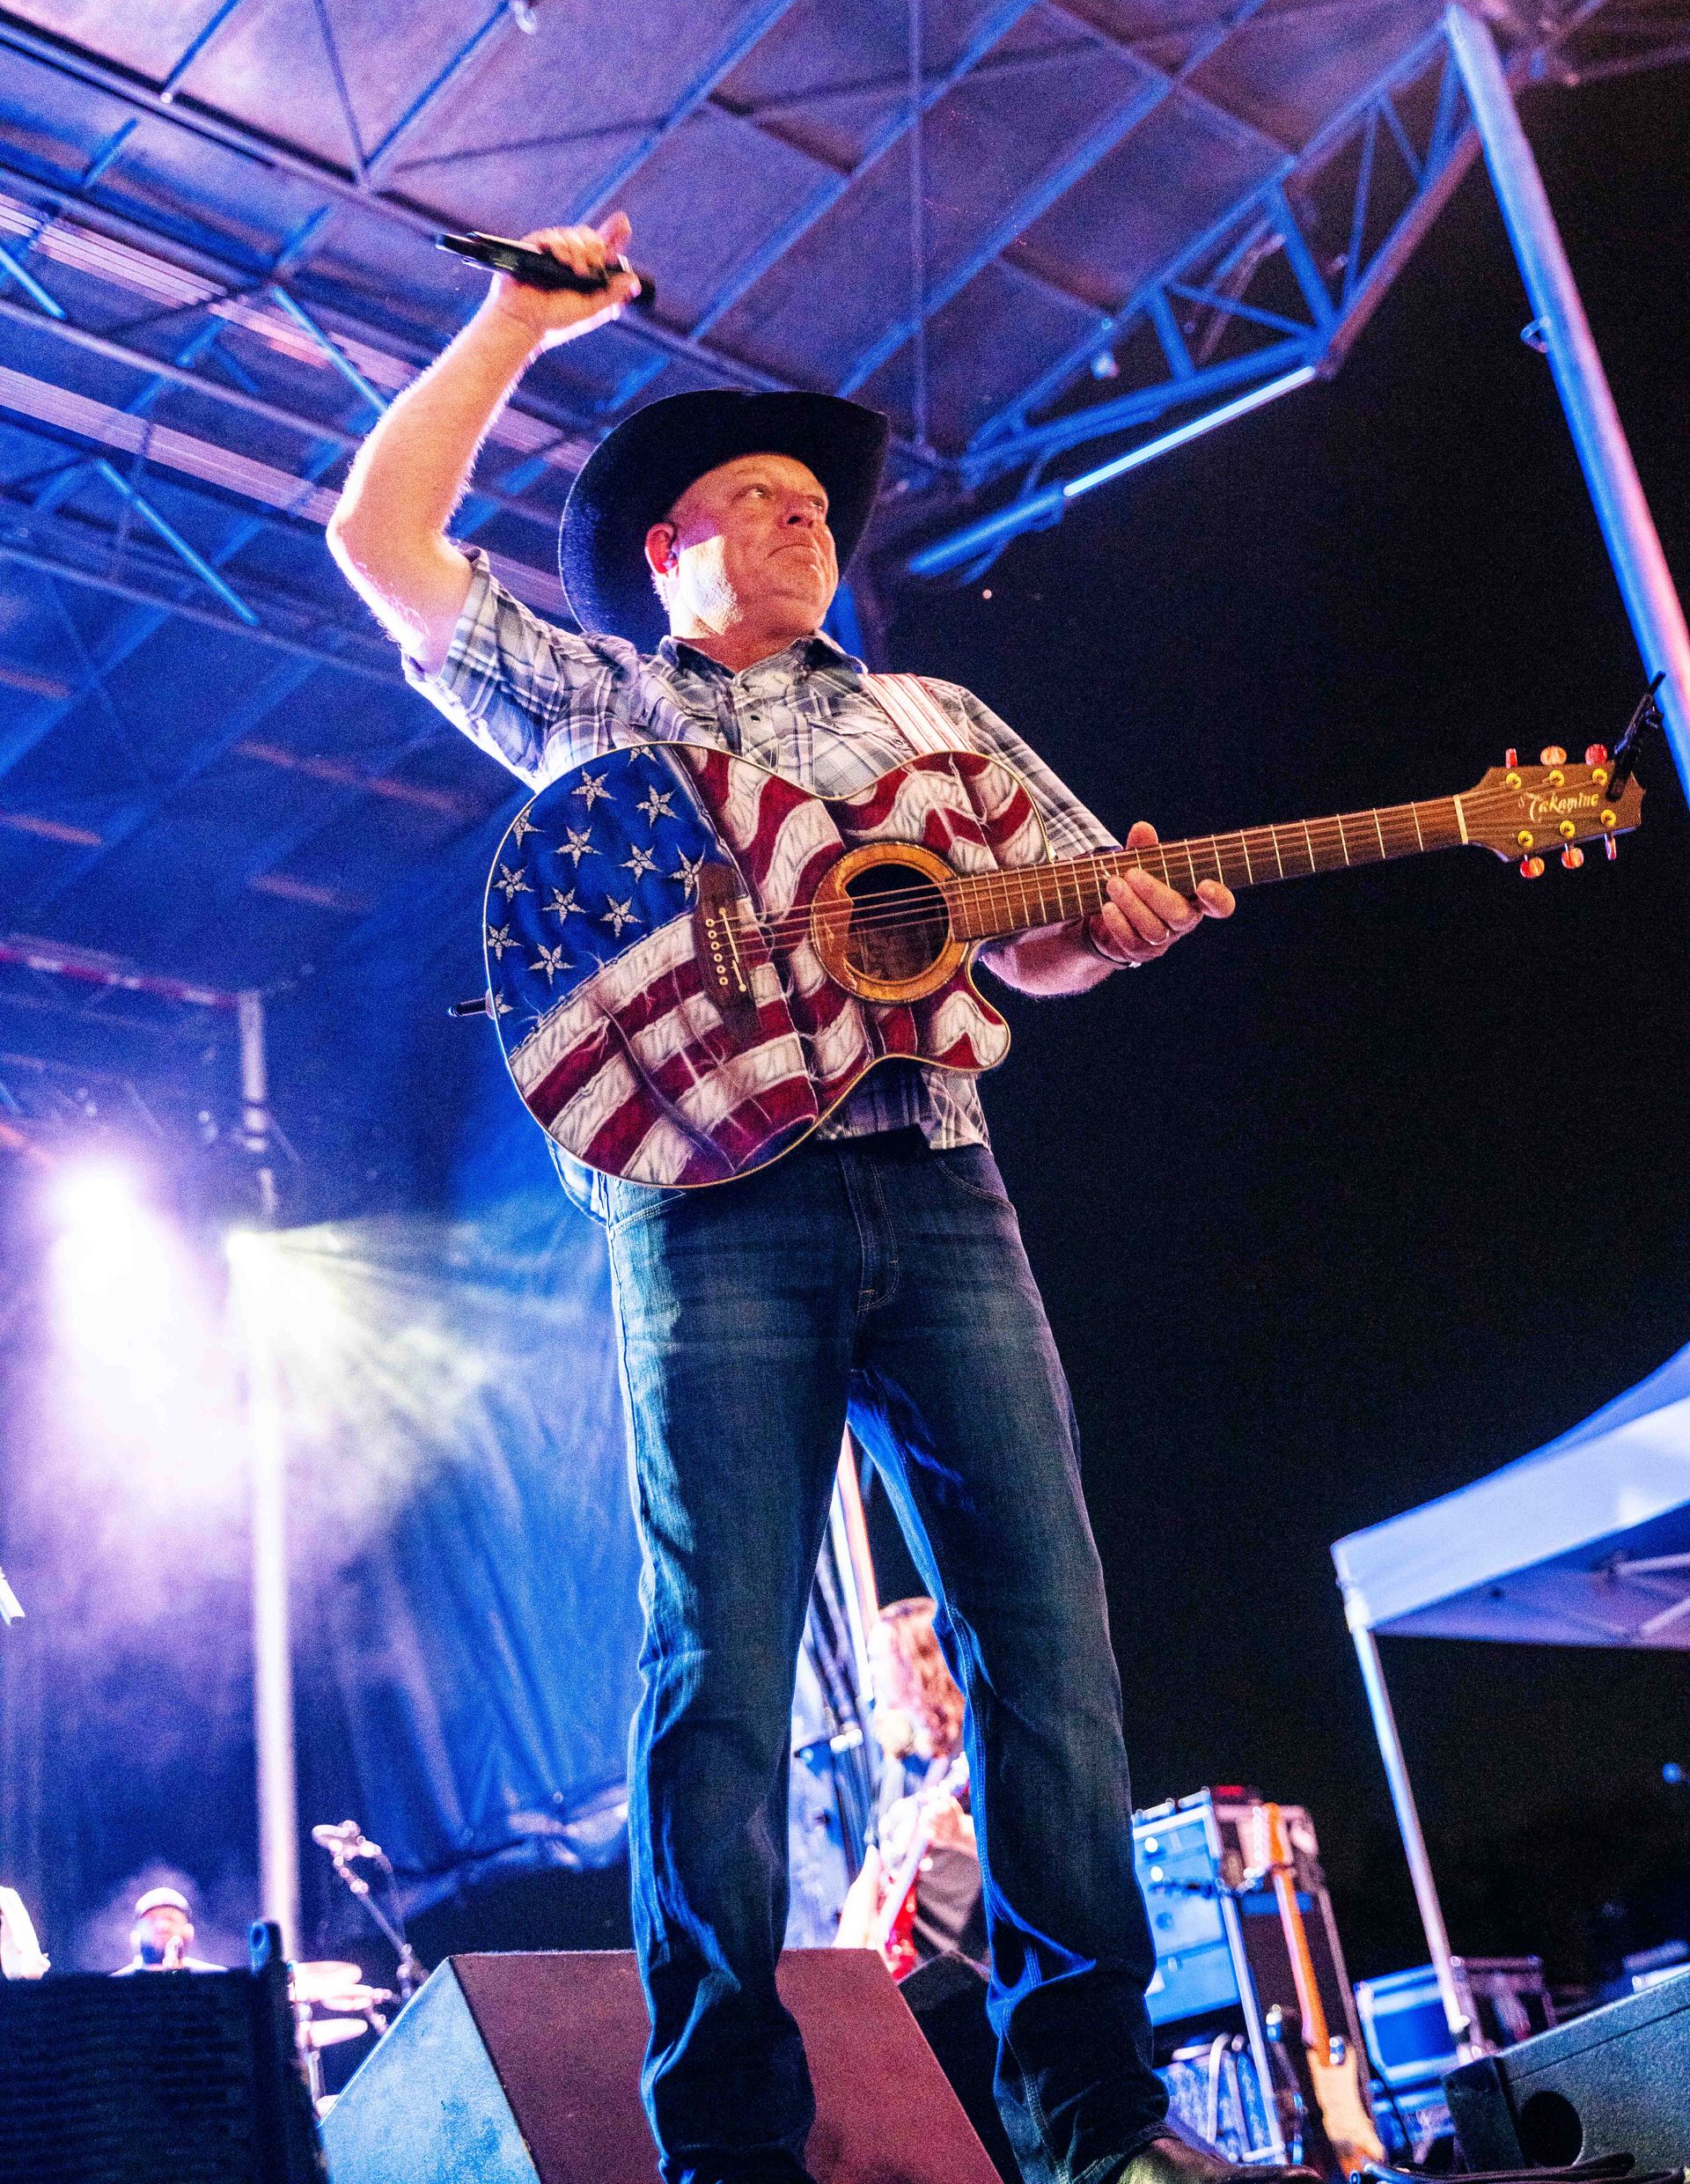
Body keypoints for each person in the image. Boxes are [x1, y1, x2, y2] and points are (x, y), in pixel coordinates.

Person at [327, 215, 1288, 2184]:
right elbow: (382, 541)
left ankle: (1098, 2119)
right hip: (703, 1214)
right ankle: (732, 2147)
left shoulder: (936, 720)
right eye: (748, 502)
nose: (796, 522)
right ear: (664, 554)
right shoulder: (598, 703)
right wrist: (520, 316)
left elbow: (1041, 945)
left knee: (1051, 1636)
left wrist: (1123, 924)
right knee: (721, 1666)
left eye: (812, 506)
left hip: (941, 1176)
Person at [835, 1596, 984, 1977]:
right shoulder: (896, 1766)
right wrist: (842, 1974)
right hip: (912, 1973)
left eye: (880, 1660)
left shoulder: (974, 1752)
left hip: (971, 1965)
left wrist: (958, 1832)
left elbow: (1026, 1853)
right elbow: (870, 1874)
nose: (870, 1673)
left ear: (921, 1664)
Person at [114, 1885, 222, 1974]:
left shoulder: (217, 1979)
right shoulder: (114, 1986)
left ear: (188, 1932)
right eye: (152, 1920)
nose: (162, 1926)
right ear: (136, 1935)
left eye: (170, 1919)